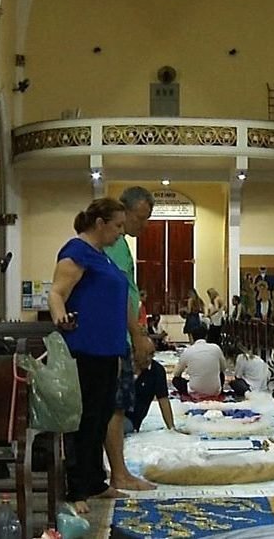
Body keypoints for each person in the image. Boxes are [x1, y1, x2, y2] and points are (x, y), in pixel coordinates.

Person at [48, 198, 144, 510]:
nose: (121, 232)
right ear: (99, 223)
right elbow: (57, 292)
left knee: (101, 417)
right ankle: (76, 490)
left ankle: (95, 482)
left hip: (108, 349)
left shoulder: (103, 257)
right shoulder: (77, 252)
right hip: (85, 348)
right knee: (84, 420)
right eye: (117, 226)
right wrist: (61, 318)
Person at [102, 186, 157, 492]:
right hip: (117, 335)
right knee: (115, 407)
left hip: (120, 333)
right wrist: (137, 336)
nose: (144, 224)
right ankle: (118, 474)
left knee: (116, 406)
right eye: (142, 217)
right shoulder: (114, 245)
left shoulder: (121, 244)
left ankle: (114, 473)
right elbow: (120, 293)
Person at [124, 349, 176, 434]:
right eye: (144, 354)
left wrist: (171, 428)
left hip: (131, 419)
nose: (148, 359)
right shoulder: (124, 366)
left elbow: (163, 400)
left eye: (151, 354)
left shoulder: (156, 370)